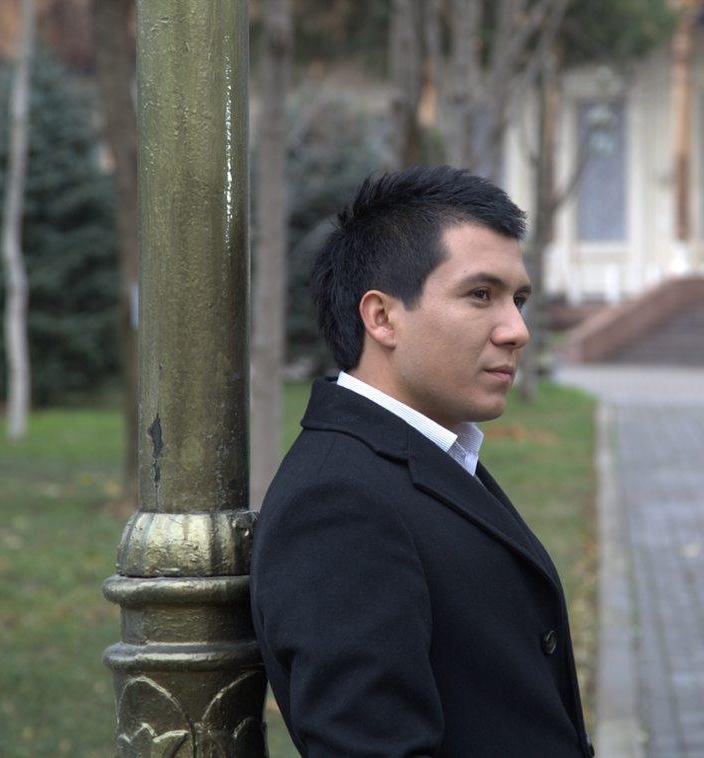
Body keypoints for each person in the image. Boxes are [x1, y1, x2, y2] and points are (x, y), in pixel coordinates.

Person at [250, 165, 593, 757]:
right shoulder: (337, 504)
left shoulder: (427, 452)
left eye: (519, 300)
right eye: (480, 295)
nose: (517, 330)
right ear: (382, 317)